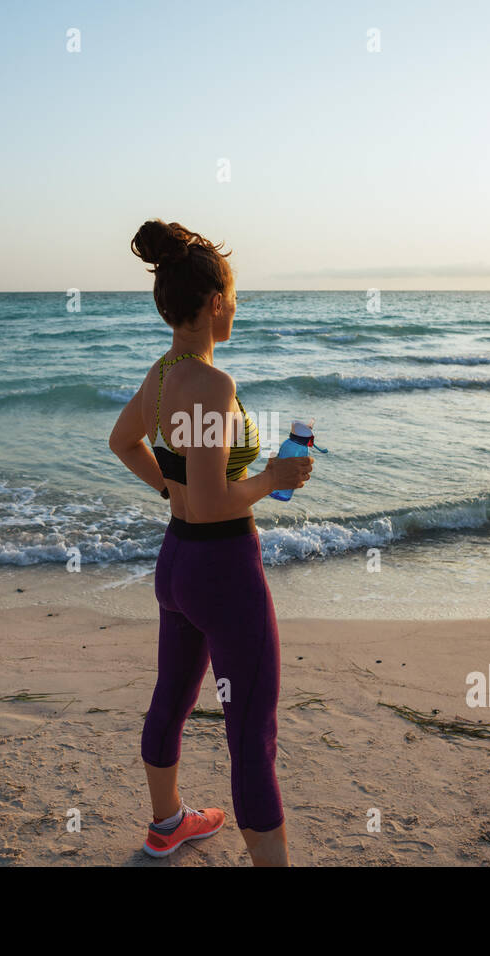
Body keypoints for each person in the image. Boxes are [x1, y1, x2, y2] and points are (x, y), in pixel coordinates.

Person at [108, 219, 313, 866]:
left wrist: (167, 490)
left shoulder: (163, 376)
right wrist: (272, 478)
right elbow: (212, 501)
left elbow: (124, 444)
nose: (239, 307)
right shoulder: (212, 386)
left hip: (176, 567)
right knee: (251, 732)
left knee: (171, 697)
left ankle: (167, 823)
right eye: (235, 296)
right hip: (223, 571)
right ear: (216, 304)